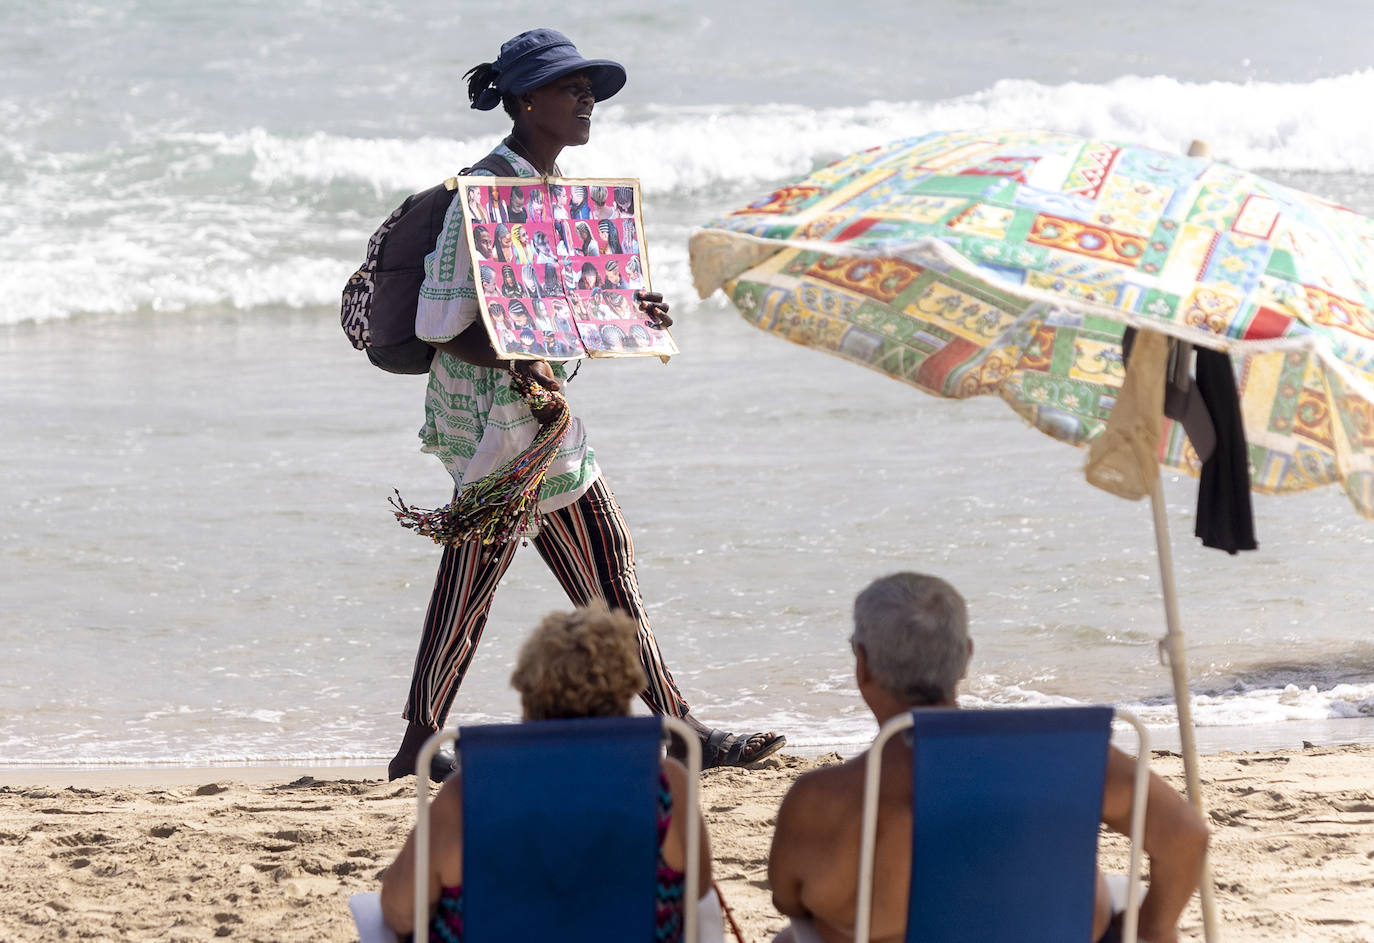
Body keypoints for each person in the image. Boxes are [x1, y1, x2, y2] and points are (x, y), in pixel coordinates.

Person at [401, 27, 785, 781]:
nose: (586, 100)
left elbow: (556, 308)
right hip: (496, 431)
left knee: (574, 573)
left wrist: (628, 312)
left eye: (588, 89)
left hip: (537, 426)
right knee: (519, 580)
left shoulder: (555, 197)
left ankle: (679, 733)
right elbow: (438, 325)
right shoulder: (481, 196)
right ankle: (678, 735)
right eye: (568, 88)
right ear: (523, 101)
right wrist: (526, 362)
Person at [768, 573, 1210, 943]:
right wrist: (1152, 930)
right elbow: (1187, 837)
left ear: (861, 664)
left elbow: (788, 899)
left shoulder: (822, 798)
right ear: (965, 659)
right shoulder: (1067, 757)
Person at [379, 607, 714, 941]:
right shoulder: (667, 786)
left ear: (527, 692)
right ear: (626, 691)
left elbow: (401, 911)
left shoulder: (470, 793)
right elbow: (696, 890)